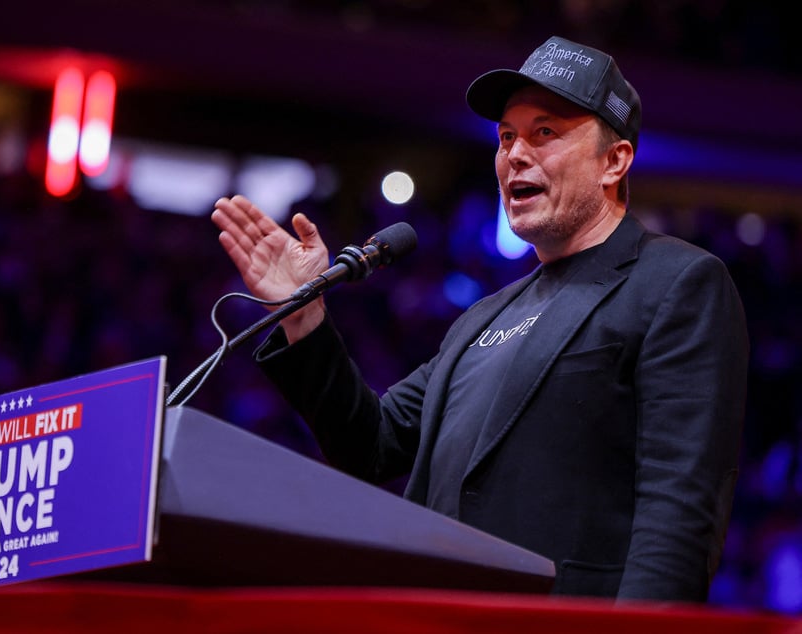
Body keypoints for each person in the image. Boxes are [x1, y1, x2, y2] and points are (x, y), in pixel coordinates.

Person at [210, 35, 748, 602]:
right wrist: (306, 313)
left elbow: (679, 513)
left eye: (545, 132)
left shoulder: (676, 283)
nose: (516, 153)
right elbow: (371, 445)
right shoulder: (482, 319)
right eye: (507, 136)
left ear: (613, 161)